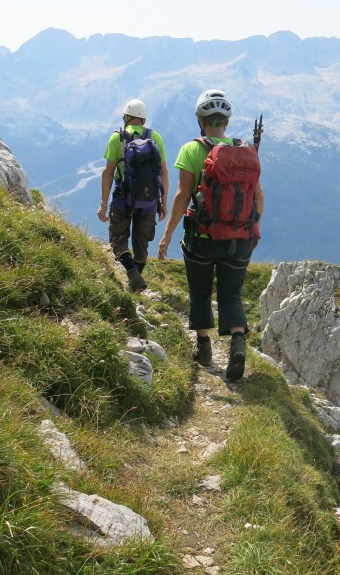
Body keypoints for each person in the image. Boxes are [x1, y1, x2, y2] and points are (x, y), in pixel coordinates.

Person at [157, 90, 264, 381]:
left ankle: (204, 348)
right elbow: (258, 199)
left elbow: (182, 196)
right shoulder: (245, 153)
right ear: (226, 123)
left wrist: (167, 234)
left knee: (200, 291)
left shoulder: (192, 150)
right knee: (231, 294)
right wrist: (251, 231)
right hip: (239, 240)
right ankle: (238, 341)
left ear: (201, 120)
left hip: (202, 238)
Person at [99, 99, 169, 292]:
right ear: (143, 119)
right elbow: (163, 172)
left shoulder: (117, 138)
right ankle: (135, 283)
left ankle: (132, 274)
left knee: (118, 240)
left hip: (123, 198)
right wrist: (163, 202)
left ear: (127, 117)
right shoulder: (155, 138)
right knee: (142, 244)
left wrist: (104, 204)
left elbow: (108, 173)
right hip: (148, 200)